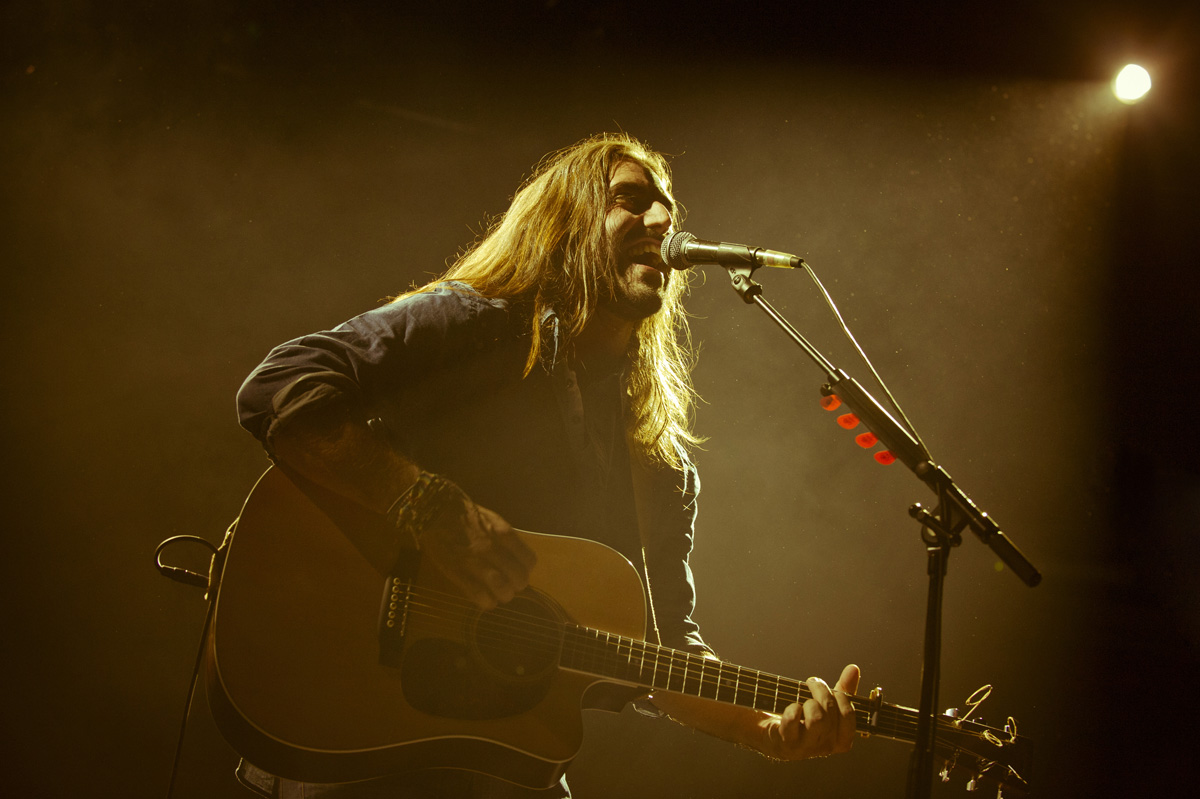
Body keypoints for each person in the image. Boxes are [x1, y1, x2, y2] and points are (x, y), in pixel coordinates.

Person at [233, 132, 860, 798]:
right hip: (364, 729)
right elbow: (281, 385)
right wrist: (429, 506)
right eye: (632, 200)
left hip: (500, 759)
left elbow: (661, 649)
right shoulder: (479, 324)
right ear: (568, 224)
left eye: (667, 209)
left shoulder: (657, 461)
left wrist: (764, 728)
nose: (661, 220)